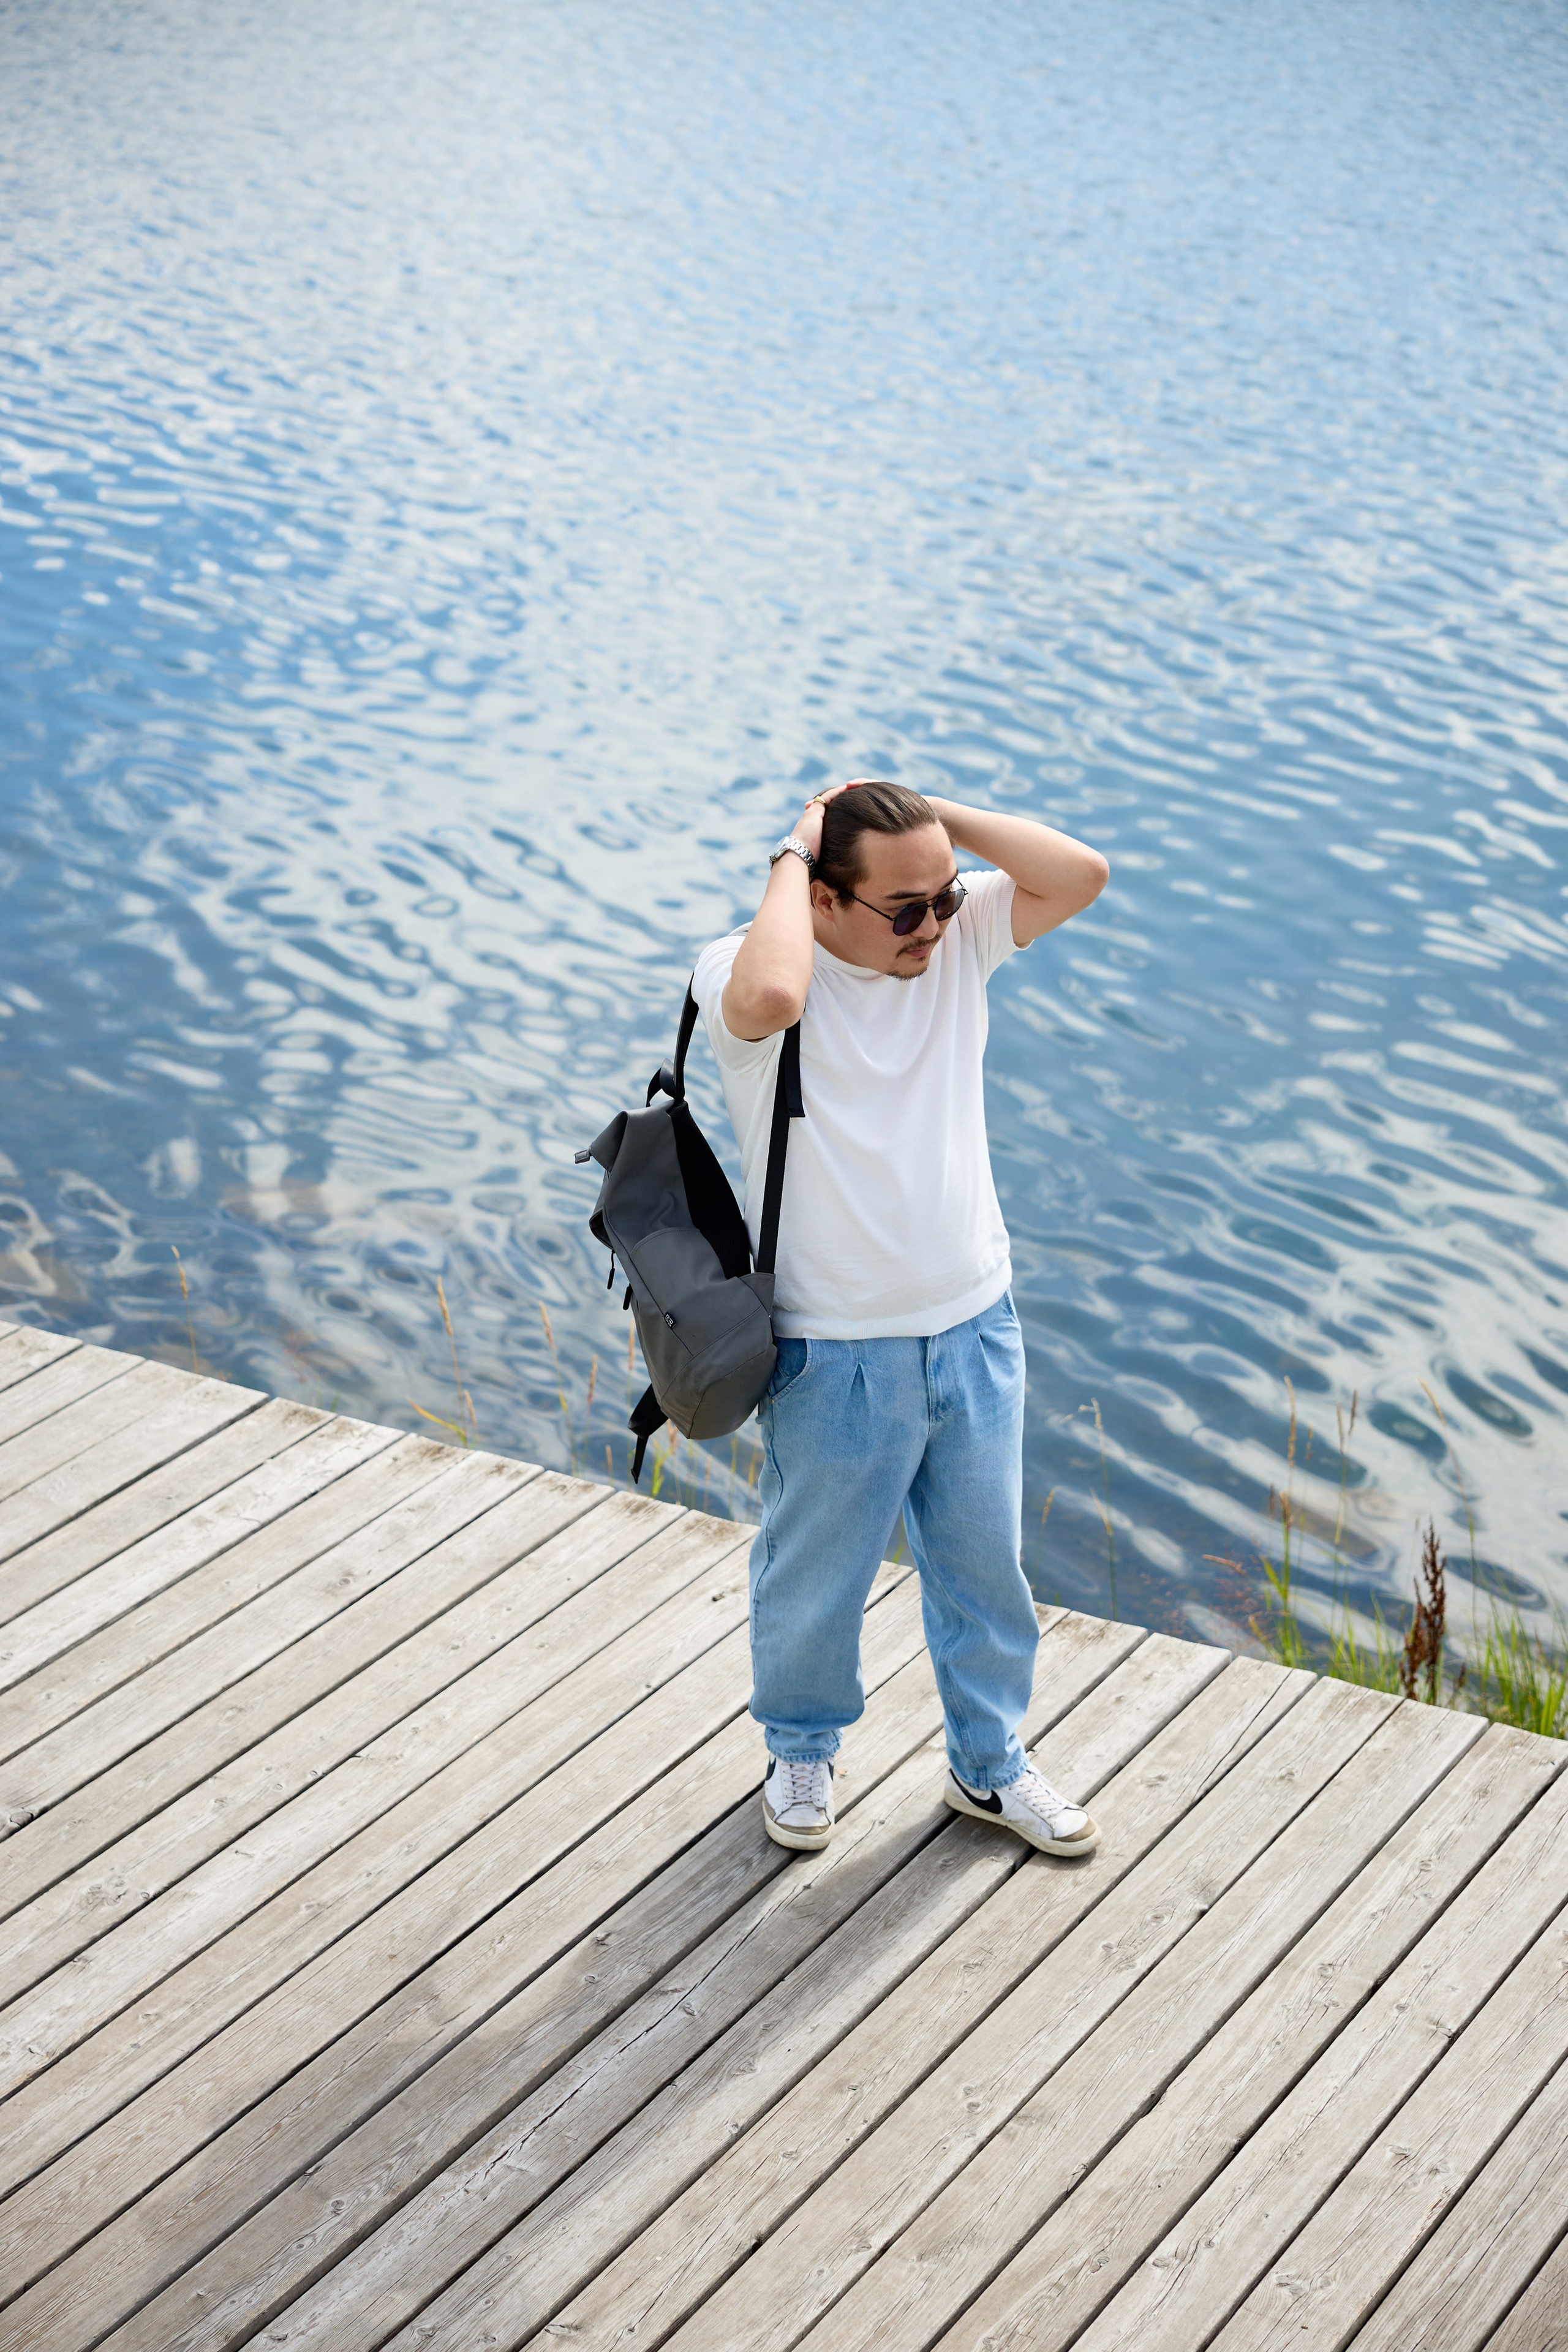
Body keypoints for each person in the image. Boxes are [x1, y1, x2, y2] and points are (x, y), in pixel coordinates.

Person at [692, 777, 1110, 1857]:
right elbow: (772, 996)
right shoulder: (747, 966)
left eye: (946, 897)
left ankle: (990, 1764)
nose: (933, 924)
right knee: (816, 1576)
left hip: (974, 1320)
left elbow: (1081, 875)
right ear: (823, 898)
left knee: (986, 1570)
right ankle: (801, 1748)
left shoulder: (955, 943)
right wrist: (794, 849)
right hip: (832, 1347)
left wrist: (935, 821)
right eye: (905, 907)